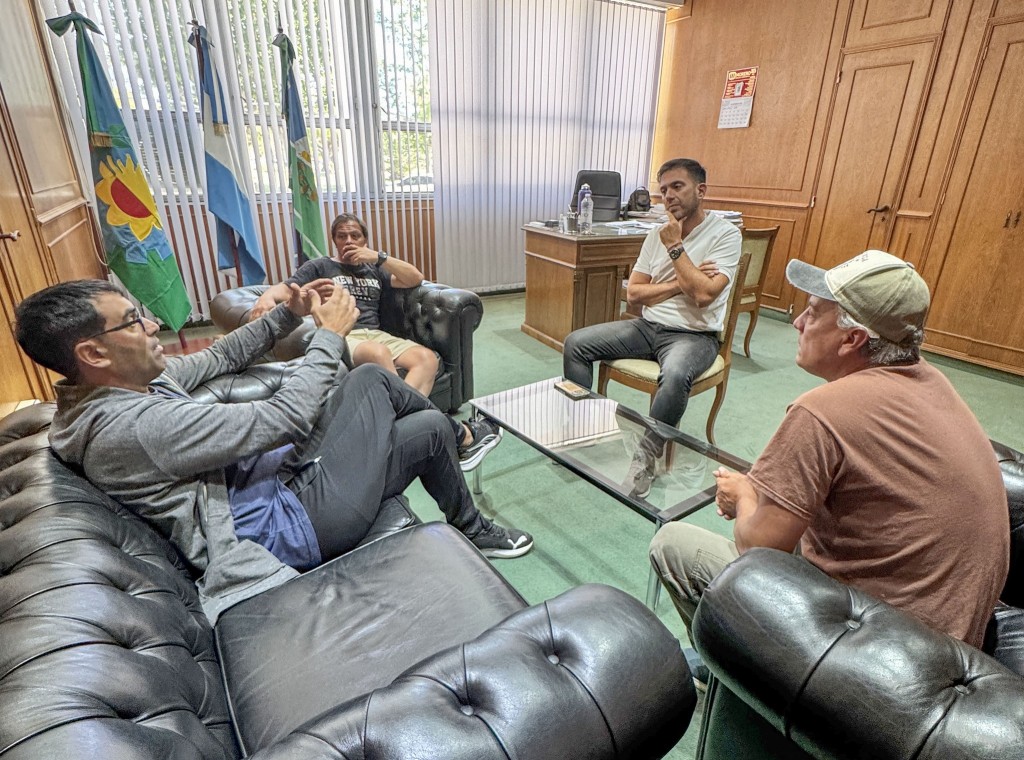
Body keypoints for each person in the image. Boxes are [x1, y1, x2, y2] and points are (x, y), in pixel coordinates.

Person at [15, 279, 533, 624]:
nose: (151, 326)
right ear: (93, 353)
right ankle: (463, 435)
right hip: (284, 530)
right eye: (133, 321)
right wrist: (329, 337)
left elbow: (222, 352)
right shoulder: (133, 427)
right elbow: (285, 417)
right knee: (374, 377)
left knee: (422, 426)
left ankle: (468, 507)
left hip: (274, 486)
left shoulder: (130, 385)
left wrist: (288, 312)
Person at [649, 250, 1009, 687]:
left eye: (814, 314)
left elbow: (758, 549)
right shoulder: (932, 381)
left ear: (852, 339)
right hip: (948, 638)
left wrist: (743, 495)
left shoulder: (822, 412)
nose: (798, 322)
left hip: (887, 659)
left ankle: (738, 680)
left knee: (672, 543)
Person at [562, 158, 741, 498]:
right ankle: (582, 429)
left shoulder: (725, 236)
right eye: (663, 190)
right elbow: (634, 295)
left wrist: (676, 247)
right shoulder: (654, 235)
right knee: (576, 343)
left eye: (677, 187)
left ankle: (645, 459)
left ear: (701, 190)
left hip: (695, 334)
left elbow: (703, 295)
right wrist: (678, 284)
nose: (668, 196)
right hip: (649, 325)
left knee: (674, 377)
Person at [250, 213, 439, 396]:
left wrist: (378, 257)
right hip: (342, 334)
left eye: (355, 236)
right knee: (379, 354)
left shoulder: (374, 269)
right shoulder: (320, 266)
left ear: (364, 241)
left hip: (375, 334)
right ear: (335, 241)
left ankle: (406, 414)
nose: (348, 241)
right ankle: (407, 415)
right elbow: (286, 289)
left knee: (427, 359)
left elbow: (415, 278)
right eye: (342, 236)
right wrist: (266, 297)